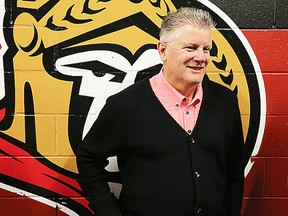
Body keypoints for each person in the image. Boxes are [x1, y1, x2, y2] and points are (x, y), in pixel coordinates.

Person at [76, 7, 245, 216]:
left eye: (206, 49)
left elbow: (235, 169)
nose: (201, 58)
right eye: (191, 48)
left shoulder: (225, 102)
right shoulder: (125, 105)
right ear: (163, 50)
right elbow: (88, 158)